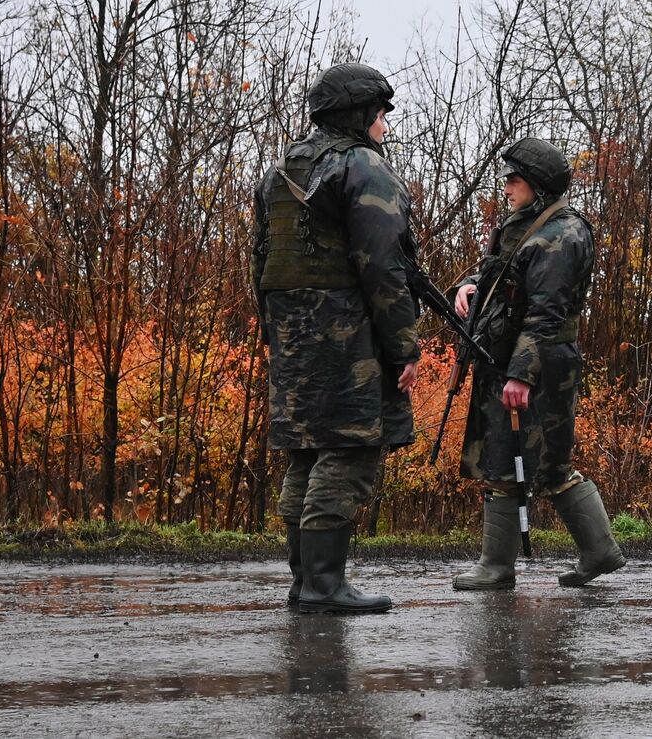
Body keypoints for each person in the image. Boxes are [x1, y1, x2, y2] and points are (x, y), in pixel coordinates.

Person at [251, 62, 420, 613]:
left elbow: (261, 262)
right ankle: (325, 586)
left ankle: (306, 583)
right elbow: (384, 268)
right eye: (381, 115)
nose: (386, 128)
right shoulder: (363, 167)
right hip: (347, 336)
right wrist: (403, 347)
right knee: (348, 450)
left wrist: (278, 335)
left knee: (306, 453)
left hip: (293, 336)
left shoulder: (279, 172)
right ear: (360, 114)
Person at [449, 137, 625, 590]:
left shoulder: (561, 236)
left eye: (515, 179)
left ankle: (597, 552)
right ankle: (499, 565)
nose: (506, 186)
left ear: (538, 185)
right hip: (505, 357)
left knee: (548, 462)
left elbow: (547, 315)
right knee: (502, 458)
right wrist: (468, 285)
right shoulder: (524, 226)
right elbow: (500, 274)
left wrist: (520, 375)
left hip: (539, 365)